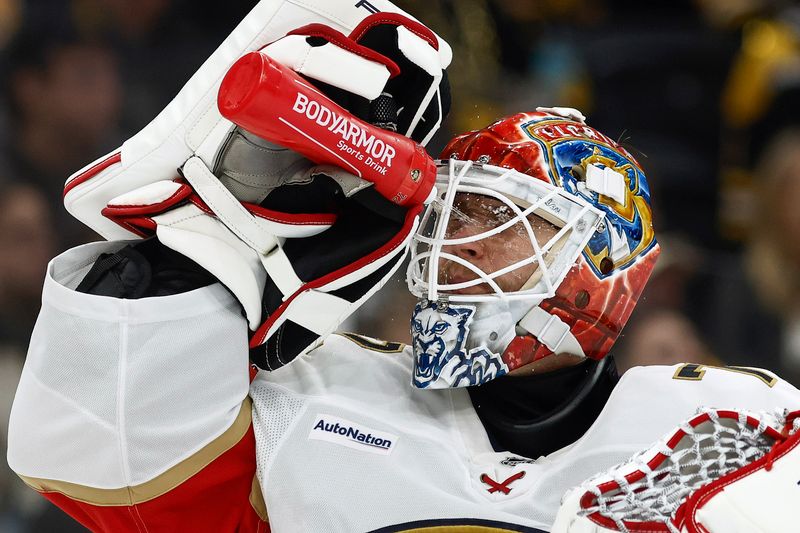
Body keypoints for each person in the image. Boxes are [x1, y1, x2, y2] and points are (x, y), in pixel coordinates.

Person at [7, 2, 800, 532]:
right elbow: (87, 459)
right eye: (452, 211)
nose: (454, 239)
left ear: (600, 266)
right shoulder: (315, 399)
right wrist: (211, 245)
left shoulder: (732, 424)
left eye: (497, 217)